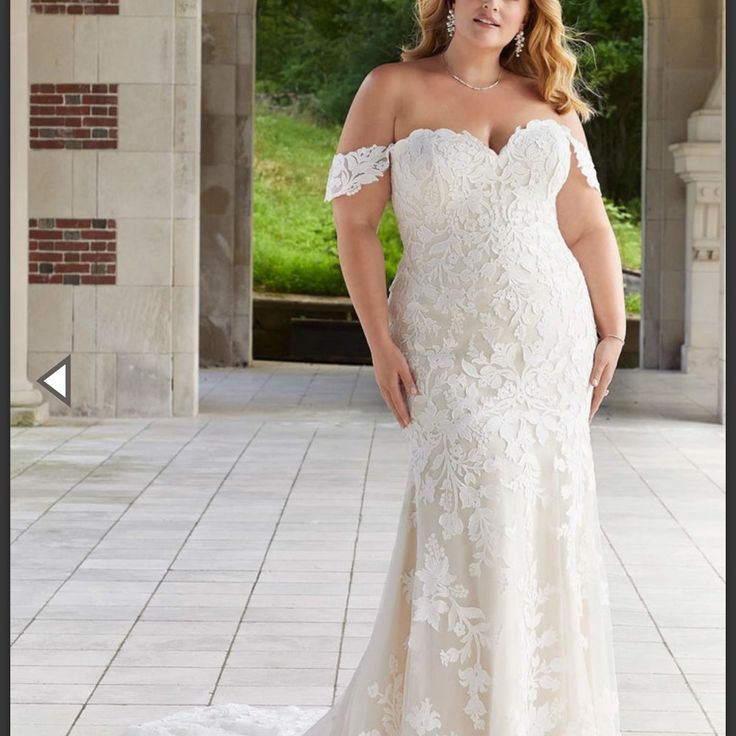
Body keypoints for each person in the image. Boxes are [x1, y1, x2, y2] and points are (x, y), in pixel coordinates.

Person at [126, 0, 625, 734]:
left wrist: (610, 332)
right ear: (449, 4)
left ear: (528, 13)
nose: (492, 4)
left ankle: (533, 715)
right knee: (472, 503)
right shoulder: (391, 87)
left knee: (545, 511)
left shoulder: (550, 102)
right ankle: (450, 712)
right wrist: (380, 339)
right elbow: (355, 223)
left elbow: (585, 227)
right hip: (447, 344)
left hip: (548, 345)